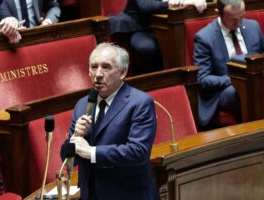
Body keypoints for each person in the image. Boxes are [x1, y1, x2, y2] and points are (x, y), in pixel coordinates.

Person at [61, 43, 158, 199]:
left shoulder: (140, 103)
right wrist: (75, 138)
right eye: (94, 67)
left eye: (106, 67)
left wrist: (91, 152)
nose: (98, 74)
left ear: (122, 72)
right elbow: (68, 161)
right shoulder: (82, 104)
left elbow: (138, 152)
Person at [194, 0, 264, 128]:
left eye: (241, 17)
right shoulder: (205, 37)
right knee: (245, 91)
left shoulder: (253, 26)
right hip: (224, 90)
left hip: (257, 82)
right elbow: (202, 79)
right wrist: (234, 80)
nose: (238, 23)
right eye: (232, 19)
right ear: (219, 14)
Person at [110, 0, 207, 74]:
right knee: (146, 47)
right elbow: (146, 6)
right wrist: (173, 3)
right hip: (139, 27)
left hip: (166, 26)